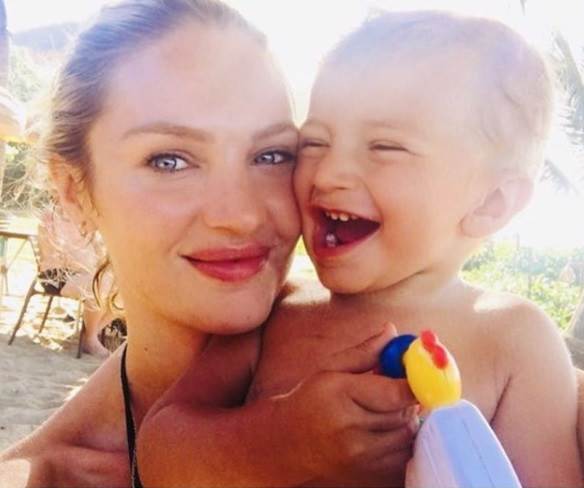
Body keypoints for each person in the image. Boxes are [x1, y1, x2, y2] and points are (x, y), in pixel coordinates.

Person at [138, 10, 582, 488]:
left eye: (385, 147)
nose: (328, 174)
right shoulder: (277, 311)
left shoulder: (515, 340)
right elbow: (159, 449)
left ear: (490, 202)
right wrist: (280, 442)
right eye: (314, 143)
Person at [0, 1, 416, 487]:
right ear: (74, 190)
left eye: (271, 155)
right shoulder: (43, 477)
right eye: (169, 161)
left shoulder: (407, 367)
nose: (240, 216)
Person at [37, 206, 113, 357]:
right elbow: (50, 254)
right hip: (56, 276)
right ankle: (90, 340)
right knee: (98, 284)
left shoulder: (86, 218)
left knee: (124, 290)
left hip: (84, 273)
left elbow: (99, 251)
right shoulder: (50, 217)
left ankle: (87, 335)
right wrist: (83, 264)